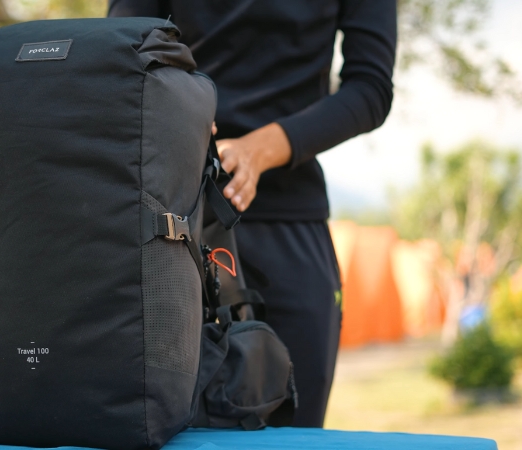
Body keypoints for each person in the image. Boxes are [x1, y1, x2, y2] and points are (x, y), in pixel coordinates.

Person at [109, 0, 396, 427]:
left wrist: (261, 149)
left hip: (291, 228)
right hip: (172, 226)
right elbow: (121, 56)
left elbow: (370, 87)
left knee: (295, 430)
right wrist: (183, 119)